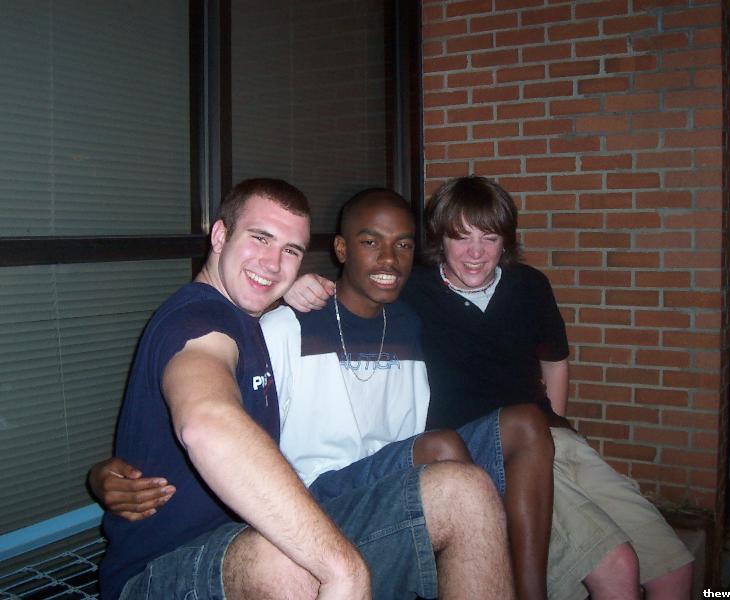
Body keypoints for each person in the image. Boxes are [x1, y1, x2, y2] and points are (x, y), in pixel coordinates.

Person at [93, 188, 544, 598]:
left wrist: (285, 291)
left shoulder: (252, 322)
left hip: (247, 535)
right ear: (220, 235)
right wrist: (341, 568)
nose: (272, 263)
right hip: (164, 568)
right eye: (260, 238)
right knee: (286, 563)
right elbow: (206, 419)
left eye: (290, 250)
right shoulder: (197, 322)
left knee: (466, 490)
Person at [283, 176, 696, 599]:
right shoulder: (414, 289)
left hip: (549, 437)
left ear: (506, 242)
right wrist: (296, 286)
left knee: (675, 570)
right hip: (481, 449)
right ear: (440, 240)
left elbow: (555, 361)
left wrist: (557, 422)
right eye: (461, 237)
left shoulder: (529, 285)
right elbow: (363, 281)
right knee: (618, 568)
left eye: (490, 238)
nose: (476, 253)